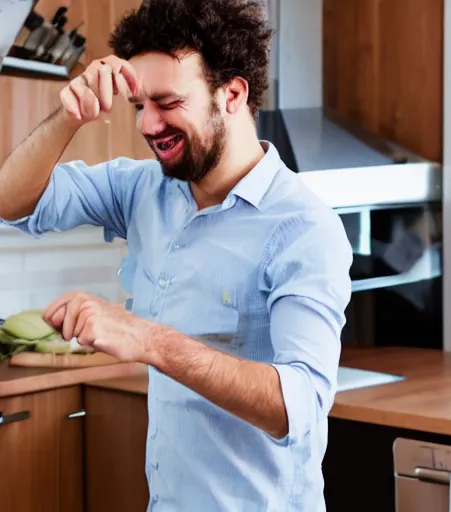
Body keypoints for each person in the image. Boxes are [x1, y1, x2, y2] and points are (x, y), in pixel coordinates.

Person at [0, 0, 352, 510]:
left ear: (231, 94)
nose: (147, 124)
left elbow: (296, 407)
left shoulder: (302, 228)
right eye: (140, 105)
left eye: (167, 103)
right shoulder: (142, 190)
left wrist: (146, 338)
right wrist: (67, 118)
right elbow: (12, 204)